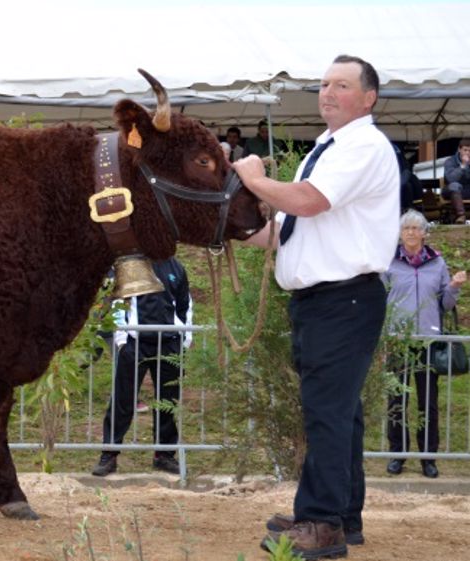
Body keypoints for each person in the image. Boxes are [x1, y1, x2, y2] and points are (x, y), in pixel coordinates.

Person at [233, 55, 400, 559]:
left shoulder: (364, 145)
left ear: (368, 98)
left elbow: (306, 202)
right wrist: (236, 232)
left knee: (327, 414)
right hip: (325, 300)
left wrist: (254, 177)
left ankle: (322, 523)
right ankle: (342, 515)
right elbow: (290, 231)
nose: (327, 92)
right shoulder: (328, 149)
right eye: (324, 84)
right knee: (338, 414)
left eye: (342, 85)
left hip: (343, 299)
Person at [91, 256, 191, 477]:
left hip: (170, 343)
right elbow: (118, 302)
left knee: (167, 402)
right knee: (123, 401)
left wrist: (184, 339)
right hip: (135, 343)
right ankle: (109, 455)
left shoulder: (176, 267)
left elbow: (185, 304)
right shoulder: (130, 264)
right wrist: (122, 339)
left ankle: (164, 455)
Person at [383, 210, 465, 478]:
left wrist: (453, 286)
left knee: (427, 402)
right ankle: (397, 454)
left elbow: (445, 304)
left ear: (424, 233)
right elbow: (380, 298)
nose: (410, 232)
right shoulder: (390, 262)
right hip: (398, 341)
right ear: (400, 233)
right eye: (405, 228)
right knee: (397, 400)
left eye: (415, 228)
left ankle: (428, 457)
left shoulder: (437, 262)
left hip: (428, 340)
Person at [442, 138, 470, 223]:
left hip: (467, 190)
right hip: (451, 191)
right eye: (465, 150)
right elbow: (451, 179)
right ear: (459, 149)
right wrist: (463, 166)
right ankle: (461, 216)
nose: (468, 153)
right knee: (455, 185)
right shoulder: (450, 161)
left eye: (469, 151)